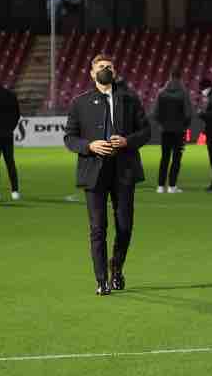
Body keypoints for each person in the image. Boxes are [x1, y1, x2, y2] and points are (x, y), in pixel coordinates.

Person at [63, 53, 150, 296]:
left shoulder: (130, 100)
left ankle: (117, 268)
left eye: (109, 66)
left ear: (116, 72)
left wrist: (127, 141)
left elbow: (146, 131)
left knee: (125, 226)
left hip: (124, 170)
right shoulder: (79, 103)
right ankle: (101, 279)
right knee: (97, 228)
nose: (105, 70)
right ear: (92, 73)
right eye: (100, 67)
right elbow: (69, 137)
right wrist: (89, 146)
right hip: (94, 172)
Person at [151, 69, 193, 194]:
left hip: (165, 131)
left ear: (170, 76)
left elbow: (155, 113)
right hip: (179, 131)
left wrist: (162, 124)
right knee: (176, 158)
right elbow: (188, 113)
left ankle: (160, 186)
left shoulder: (161, 93)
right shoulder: (183, 93)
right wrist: (185, 126)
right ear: (180, 77)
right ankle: (172, 186)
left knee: (164, 158)